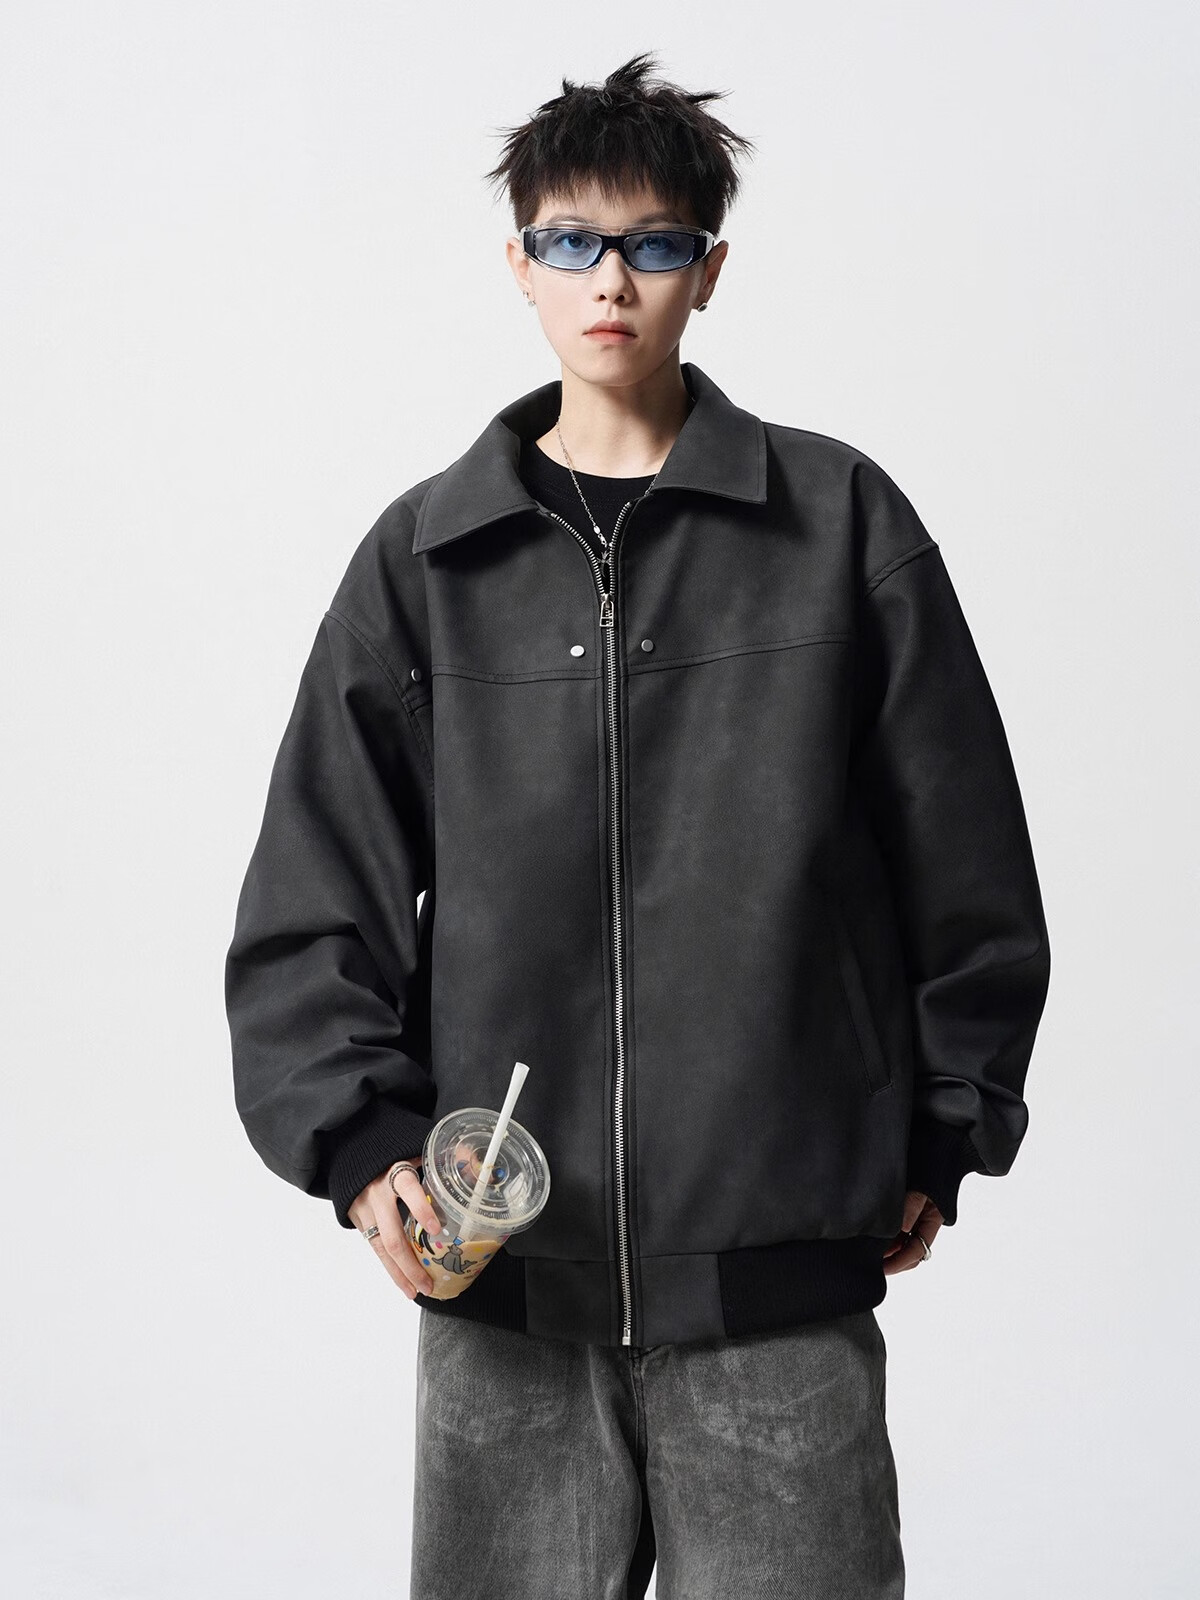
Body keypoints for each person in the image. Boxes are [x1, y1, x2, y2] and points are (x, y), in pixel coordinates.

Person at [224, 52, 1051, 1599]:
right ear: (520, 264)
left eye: (654, 243)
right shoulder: (425, 562)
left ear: (709, 269)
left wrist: (950, 1121)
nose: (612, 280)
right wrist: (356, 1137)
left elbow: (968, 863)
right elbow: (313, 892)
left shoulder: (840, 526)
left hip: (779, 1279)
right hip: (502, 1279)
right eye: (573, 242)